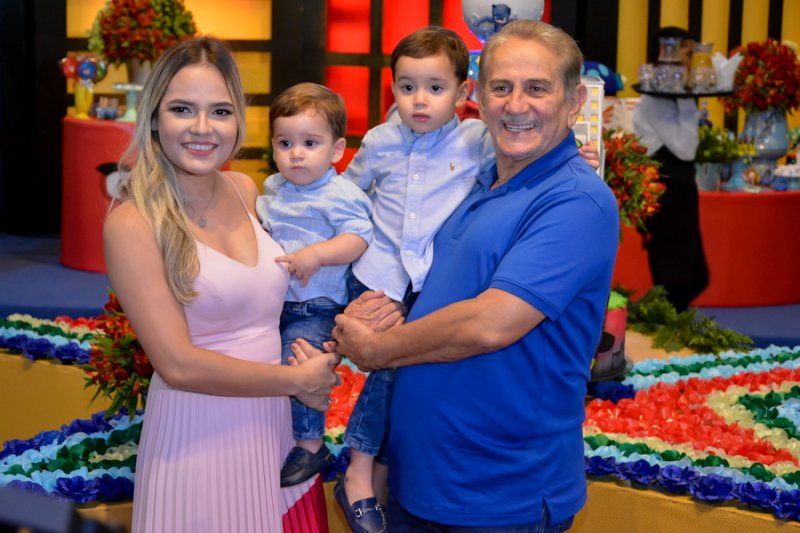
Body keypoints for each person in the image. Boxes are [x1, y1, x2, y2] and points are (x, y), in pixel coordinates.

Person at [328, 20, 620, 530]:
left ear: (575, 102)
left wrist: (378, 348)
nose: (516, 105)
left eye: (537, 89)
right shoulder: (476, 183)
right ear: (479, 99)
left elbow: (491, 323)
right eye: (501, 87)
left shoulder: (574, 200)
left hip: (500, 496)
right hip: (420, 482)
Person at [102, 37, 339, 532]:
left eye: (221, 111)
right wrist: (297, 381)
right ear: (154, 118)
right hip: (197, 438)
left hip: (275, 430)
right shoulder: (132, 223)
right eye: (182, 109)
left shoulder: (246, 189)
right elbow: (178, 365)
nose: (202, 128)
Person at [255, 83, 373, 487]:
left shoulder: (339, 194)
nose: (296, 153)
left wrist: (318, 254)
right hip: (277, 302)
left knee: (299, 364)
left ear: (337, 150)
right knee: (265, 365)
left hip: (316, 305)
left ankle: (310, 445)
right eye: (285, 143)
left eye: (310, 143)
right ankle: (271, 433)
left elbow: (359, 237)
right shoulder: (274, 188)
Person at [634, 26, 709, 311]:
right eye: (687, 51)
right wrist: (689, 101)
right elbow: (685, 149)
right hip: (666, 193)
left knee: (695, 276)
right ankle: (657, 321)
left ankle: (662, 319)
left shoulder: (675, 94)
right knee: (676, 278)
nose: (694, 58)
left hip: (681, 190)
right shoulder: (655, 99)